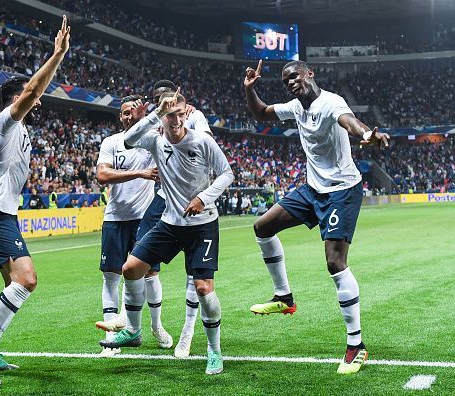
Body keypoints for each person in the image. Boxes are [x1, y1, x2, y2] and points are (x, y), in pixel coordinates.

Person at [243, 59, 390, 375]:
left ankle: (356, 346)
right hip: (313, 189)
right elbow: (260, 113)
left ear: (309, 74)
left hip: (341, 189)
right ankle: (284, 296)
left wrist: (367, 135)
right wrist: (250, 91)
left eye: (293, 76)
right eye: (285, 81)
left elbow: (350, 123)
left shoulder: (331, 101)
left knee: (335, 262)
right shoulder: (295, 107)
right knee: (262, 226)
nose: (290, 82)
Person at [0, 16, 70, 387]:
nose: (37, 98)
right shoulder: (3, 123)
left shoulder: (21, 130)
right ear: (18, 98)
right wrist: (57, 55)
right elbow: (31, 92)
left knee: (14, 285)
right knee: (27, 281)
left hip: (1, 214)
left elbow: (31, 94)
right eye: (30, 94)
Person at [100, 89, 234, 375]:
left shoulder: (202, 141)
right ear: (161, 118)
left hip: (202, 224)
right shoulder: (155, 140)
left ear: (187, 114)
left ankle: (214, 350)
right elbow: (129, 138)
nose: (175, 120)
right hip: (171, 223)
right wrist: (154, 112)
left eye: (179, 114)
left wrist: (204, 198)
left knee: (203, 289)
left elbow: (227, 174)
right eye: (169, 115)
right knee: (131, 269)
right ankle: (134, 330)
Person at [95, 94, 172, 357]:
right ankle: (111, 336)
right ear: (120, 116)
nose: (129, 116)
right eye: (125, 112)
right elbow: (102, 175)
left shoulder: (153, 138)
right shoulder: (111, 142)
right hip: (115, 218)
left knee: (150, 274)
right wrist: (139, 173)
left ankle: (156, 326)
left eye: (134, 111)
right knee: (111, 276)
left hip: (144, 218)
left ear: (142, 113)